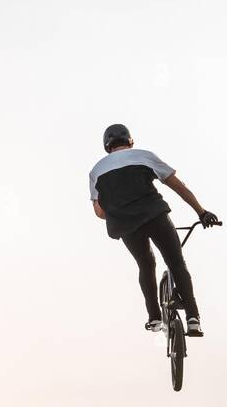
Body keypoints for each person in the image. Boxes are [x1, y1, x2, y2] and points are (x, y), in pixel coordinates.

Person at [88, 123, 218, 336]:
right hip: (154, 216)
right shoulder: (144, 156)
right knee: (175, 261)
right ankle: (193, 319)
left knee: (146, 264)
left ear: (107, 146)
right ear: (130, 141)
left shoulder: (95, 171)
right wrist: (201, 212)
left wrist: (119, 204)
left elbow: (100, 212)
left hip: (125, 225)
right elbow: (178, 186)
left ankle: (154, 318)